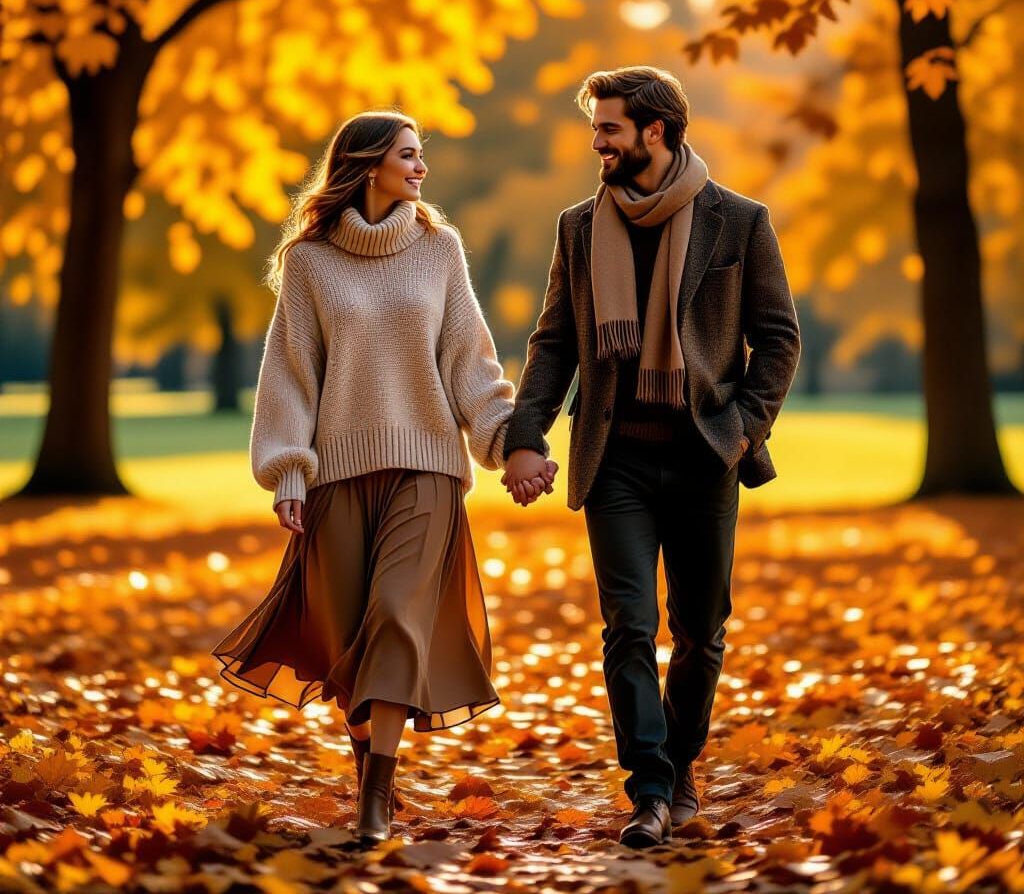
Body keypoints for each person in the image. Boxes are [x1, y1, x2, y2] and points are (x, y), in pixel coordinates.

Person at [211, 111, 556, 845]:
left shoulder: (439, 249)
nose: (421, 168)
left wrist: (506, 442)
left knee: (398, 614)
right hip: (337, 475)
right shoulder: (309, 262)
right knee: (348, 635)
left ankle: (377, 791)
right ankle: (369, 750)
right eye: (409, 155)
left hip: (427, 468)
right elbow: (291, 377)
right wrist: (289, 474)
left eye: (421, 156)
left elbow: (470, 361)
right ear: (369, 165)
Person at [501, 66, 801, 848]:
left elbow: (778, 339)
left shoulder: (738, 221)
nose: (596, 142)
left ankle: (679, 760)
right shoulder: (578, 227)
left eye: (609, 129)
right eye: (596, 127)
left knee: (701, 631)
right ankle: (651, 790)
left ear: (655, 132)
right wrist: (525, 431)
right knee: (628, 627)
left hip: (706, 456)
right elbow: (555, 340)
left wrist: (740, 429)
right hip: (617, 463)